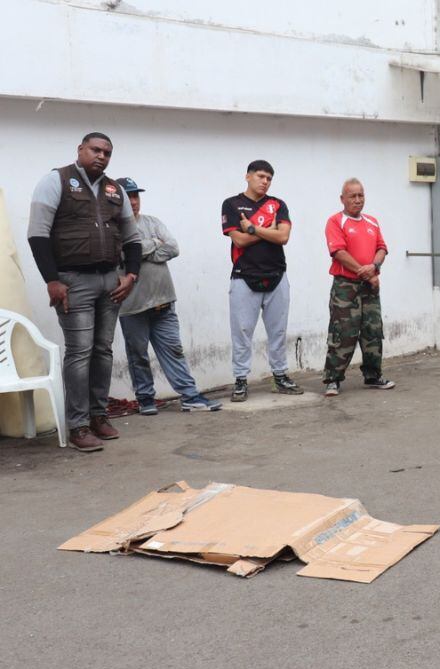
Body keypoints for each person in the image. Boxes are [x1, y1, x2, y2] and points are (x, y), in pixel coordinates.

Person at [26, 132, 142, 452]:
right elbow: (37, 234)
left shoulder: (115, 190)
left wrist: (131, 274)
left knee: (103, 350)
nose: (101, 156)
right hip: (73, 282)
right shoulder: (56, 181)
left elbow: (132, 238)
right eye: (95, 149)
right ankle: (78, 425)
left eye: (107, 152)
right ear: (80, 149)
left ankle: (98, 416)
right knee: (80, 352)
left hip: (110, 282)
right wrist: (52, 280)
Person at [116, 177, 222, 415]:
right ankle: (145, 399)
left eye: (135, 196)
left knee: (174, 350)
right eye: (128, 197)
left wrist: (140, 251)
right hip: (133, 305)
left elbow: (173, 247)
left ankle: (190, 396)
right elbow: (122, 254)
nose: (133, 201)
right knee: (138, 355)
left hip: (163, 300)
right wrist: (154, 244)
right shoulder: (112, 228)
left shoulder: (152, 222)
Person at [221, 159, 302, 401]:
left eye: (269, 178)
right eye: (260, 176)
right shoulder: (231, 204)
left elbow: (283, 237)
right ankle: (240, 380)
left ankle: (280, 377)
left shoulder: (278, 204)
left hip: (277, 276)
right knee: (242, 332)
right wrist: (270, 230)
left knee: (278, 331)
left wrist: (253, 229)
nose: (265, 181)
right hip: (244, 277)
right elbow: (239, 240)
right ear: (248, 176)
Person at [322, 178, 395, 396]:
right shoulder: (335, 221)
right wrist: (365, 273)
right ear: (342, 199)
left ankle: (373, 375)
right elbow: (338, 252)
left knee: (373, 330)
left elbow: (382, 248)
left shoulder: (372, 222)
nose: (357, 200)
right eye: (352, 196)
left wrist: (374, 267)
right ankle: (333, 379)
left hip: (370, 286)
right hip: (346, 287)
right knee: (343, 332)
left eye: (360, 195)